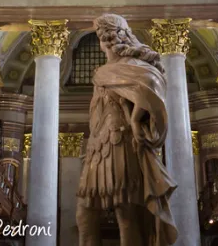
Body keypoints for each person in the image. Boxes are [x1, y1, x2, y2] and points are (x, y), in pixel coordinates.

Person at [76, 14, 178, 246]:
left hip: (122, 145)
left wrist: (135, 119)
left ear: (105, 38)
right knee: (84, 216)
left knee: (127, 217)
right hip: (97, 148)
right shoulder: (103, 71)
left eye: (99, 35)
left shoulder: (132, 67)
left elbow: (152, 85)